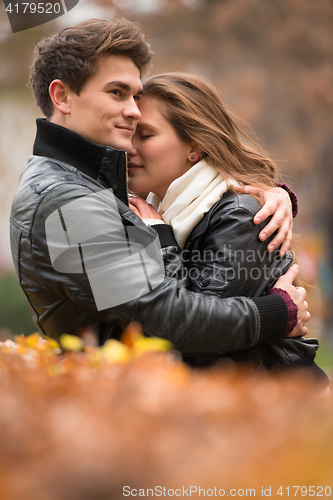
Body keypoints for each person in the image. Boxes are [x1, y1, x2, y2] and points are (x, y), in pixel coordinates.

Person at [10, 19, 308, 358]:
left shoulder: (87, 185)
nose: (133, 111)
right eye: (116, 93)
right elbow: (168, 318)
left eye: (135, 96)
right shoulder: (68, 200)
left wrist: (273, 193)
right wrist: (279, 312)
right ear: (62, 96)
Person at [127, 72, 327, 385]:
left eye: (146, 135)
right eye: (130, 134)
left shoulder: (238, 217)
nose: (129, 147)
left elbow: (191, 337)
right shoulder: (157, 211)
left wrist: (161, 240)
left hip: (281, 404)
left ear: (194, 145)